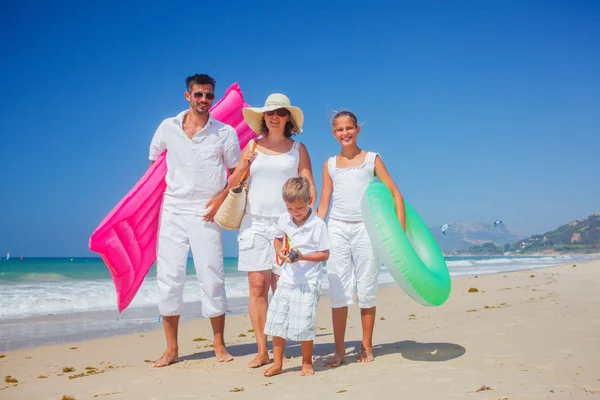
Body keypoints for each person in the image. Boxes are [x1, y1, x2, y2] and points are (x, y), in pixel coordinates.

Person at [148, 74, 241, 367]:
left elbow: (238, 172)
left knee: (211, 274)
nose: (204, 100)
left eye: (209, 96)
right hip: (173, 208)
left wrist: (221, 199)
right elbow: (153, 164)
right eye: (199, 94)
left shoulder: (224, 132)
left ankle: (219, 344)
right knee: (169, 277)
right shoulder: (167, 127)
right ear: (187, 95)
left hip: (207, 210)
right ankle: (172, 348)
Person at [230, 93, 316, 368]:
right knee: (258, 287)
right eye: (269, 112)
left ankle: (280, 347)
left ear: (288, 117)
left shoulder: (297, 148)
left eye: (280, 112)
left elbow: (308, 185)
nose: (274, 116)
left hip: (287, 225)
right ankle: (261, 349)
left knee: (282, 287)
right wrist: (244, 162)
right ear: (263, 117)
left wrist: (310, 221)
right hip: (254, 222)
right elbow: (233, 181)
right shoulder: (252, 146)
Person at [316, 110, 406, 366]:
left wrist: (398, 234)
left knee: (366, 289)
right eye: (339, 129)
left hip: (367, 230)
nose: (345, 133)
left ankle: (366, 347)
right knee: (338, 292)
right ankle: (340, 351)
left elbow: (395, 195)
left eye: (349, 128)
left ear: (357, 129)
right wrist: (311, 232)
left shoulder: (372, 159)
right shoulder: (330, 164)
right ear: (334, 133)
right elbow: (324, 203)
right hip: (337, 229)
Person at [263, 177, 330, 377]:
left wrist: (303, 256)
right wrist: (280, 251)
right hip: (287, 279)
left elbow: (325, 254)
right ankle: (277, 363)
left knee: (304, 323)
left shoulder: (318, 224)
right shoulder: (284, 218)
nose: (294, 213)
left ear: (310, 201)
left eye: (299, 208)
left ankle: (307, 362)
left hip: (308, 281)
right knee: (277, 321)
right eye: (290, 208)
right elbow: (277, 238)